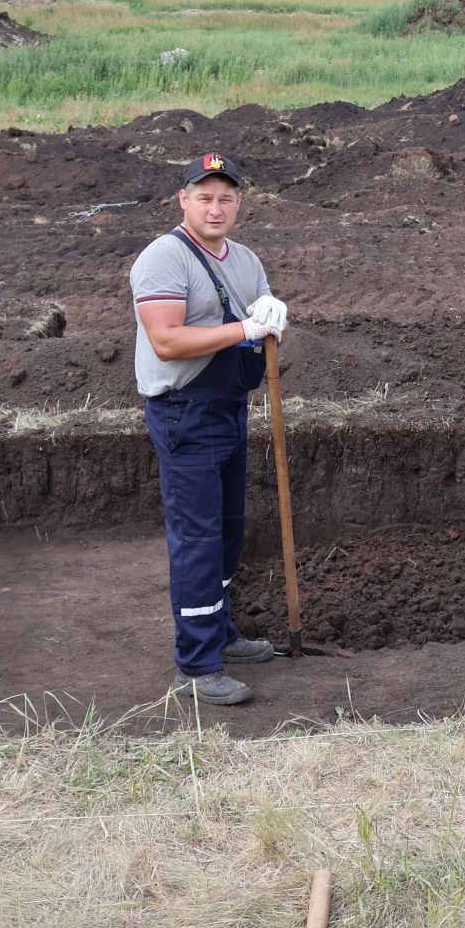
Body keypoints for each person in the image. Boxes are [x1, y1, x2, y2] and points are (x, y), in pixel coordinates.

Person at [130, 154, 289, 705]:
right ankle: (196, 666)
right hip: (184, 411)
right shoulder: (164, 259)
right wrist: (243, 325)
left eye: (226, 197)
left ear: (239, 202)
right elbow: (167, 341)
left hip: (228, 407)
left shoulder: (244, 260)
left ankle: (221, 635)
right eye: (205, 197)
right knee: (197, 538)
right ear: (184, 199)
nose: (215, 207)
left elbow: (263, 331)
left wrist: (270, 320)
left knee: (227, 530)